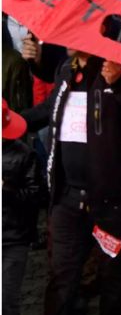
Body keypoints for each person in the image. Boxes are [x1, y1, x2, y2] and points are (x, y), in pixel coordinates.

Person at [23, 29, 121, 314]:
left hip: (112, 202)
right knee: (62, 279)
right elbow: (49, 110)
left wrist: (120, 87)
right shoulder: (65, 69)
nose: (67, 38)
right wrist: (13, 121)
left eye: (76, 30)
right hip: (67, 197)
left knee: (113, 281)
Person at [3, 99, 45, 315]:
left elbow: (36, 195)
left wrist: (6, 189)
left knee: (6, 301)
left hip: (12, 238)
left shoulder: (24, 155)